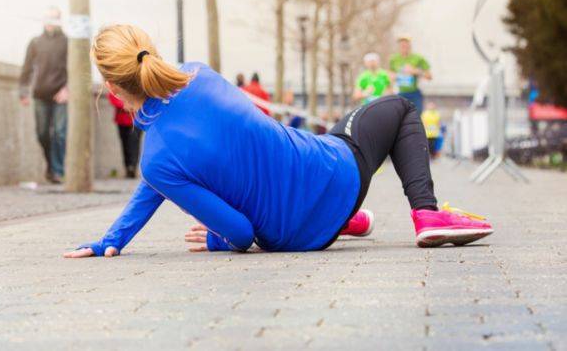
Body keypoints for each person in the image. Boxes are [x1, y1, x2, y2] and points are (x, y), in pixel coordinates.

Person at [64, 25, 492, 259]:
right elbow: (162, 174)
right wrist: (118, 233)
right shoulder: (200, 73)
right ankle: (427, 215)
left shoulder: (157, 161)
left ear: (110, 88)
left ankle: (348, 221)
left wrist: (113, 240)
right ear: (151, 52)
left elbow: (238, 231)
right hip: (335, 176)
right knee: (399, 108)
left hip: (293, 237)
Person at [19, 7, 69, 184]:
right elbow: (26, 69)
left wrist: (67, 89)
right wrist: (23, 92)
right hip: (40, 94)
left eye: (54, 18)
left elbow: (79, 69)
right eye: (48, 18)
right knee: (42, 134)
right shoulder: (35, 42)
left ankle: (57, 171)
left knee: (60, 133)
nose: (51, 22)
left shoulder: (67, 42)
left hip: (60, 95)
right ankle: (51, 165)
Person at [389, 36, 431, 112]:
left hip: (414, 93)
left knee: (416, 117)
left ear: (409, 45)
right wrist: (393, 77)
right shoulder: (394, 59)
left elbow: (429, 76)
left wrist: (415, 71)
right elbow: (390, 75)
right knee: (400, 118)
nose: (404, 46)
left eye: (406, 43)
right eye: (401, 44)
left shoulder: (418, 58)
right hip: (400, 93)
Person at [109, 91, 142, 178]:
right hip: (122, 118)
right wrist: (124, 105)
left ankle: (132, 167)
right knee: (125, 143)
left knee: (134, 144)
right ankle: (128, 167)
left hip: (136, 119)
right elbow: (112, 95)